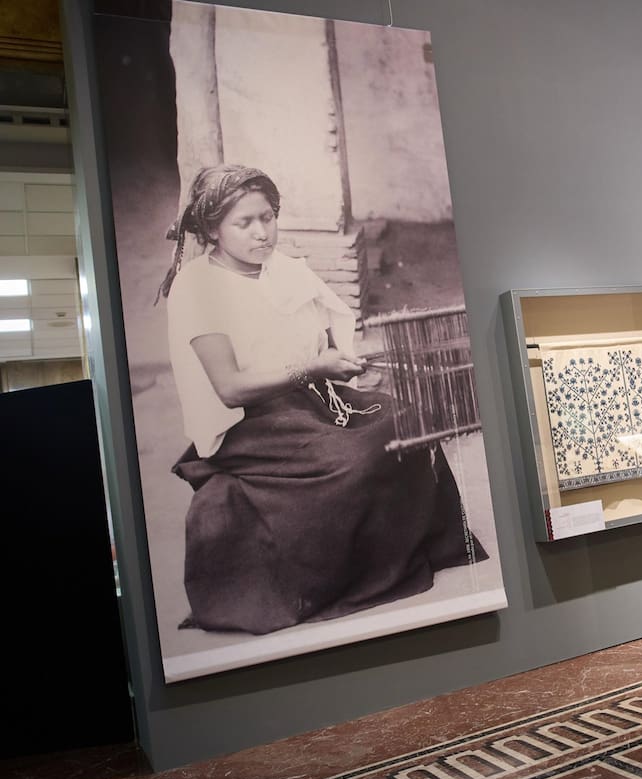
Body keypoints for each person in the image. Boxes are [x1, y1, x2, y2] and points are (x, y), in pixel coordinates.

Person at [160, 164, 487, 635]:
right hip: (250, 422)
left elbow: (320, 343)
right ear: (213, 229)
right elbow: (230, 387)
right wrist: (314, 369)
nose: (261, 233)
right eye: (244, 223)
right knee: (355, 455)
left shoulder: (284, 271)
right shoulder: (198, 288)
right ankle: (347, 573)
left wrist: (343, 360)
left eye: (267, 217)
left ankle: (407, 549)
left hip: (314, 396)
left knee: (406, 421)